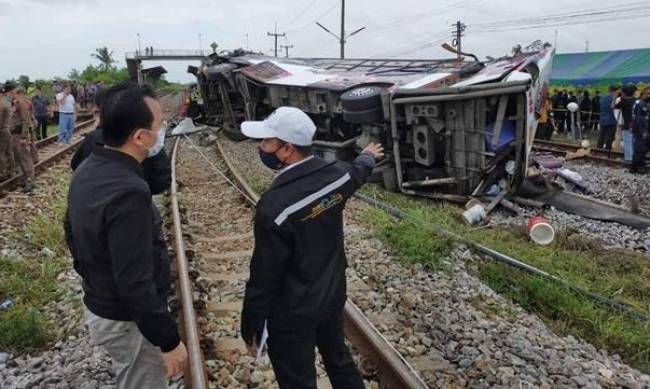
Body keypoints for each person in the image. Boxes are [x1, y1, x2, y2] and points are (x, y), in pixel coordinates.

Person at [239, 106, 384, 389]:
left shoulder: (275, 206)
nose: (262, 147)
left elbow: (264, 277)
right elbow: (358, 172)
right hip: (330, 295)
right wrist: (368, 155)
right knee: (339, 359)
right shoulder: (338, 176)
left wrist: (251, 325)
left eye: (267, 142)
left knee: (298, 379)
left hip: (292, 313)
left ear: (287, 150)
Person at [65, 83, 187, 389]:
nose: (162, 132)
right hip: (127, 321)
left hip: (102, 303)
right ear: (140, 137)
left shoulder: (90, 166)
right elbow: (134, 281)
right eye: (159, 126)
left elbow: (71, 232)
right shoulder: (129, 191)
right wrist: (169, 341)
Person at [70, 88, 172, 194]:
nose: (160, 129)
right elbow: (162, 181)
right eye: (158, 124)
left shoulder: (93, 141)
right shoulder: (133, 190)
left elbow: (75, 164)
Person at [5, 84, 36, 192]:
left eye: (11, 93)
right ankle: (24, 179)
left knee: (25, 158)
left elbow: (25, 120)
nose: (10, 95)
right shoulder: (16, 103)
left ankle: (31, 181)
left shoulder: (22, 103)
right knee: (18, 157)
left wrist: (23, 136)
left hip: (20, 135)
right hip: (14, 135)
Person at [615, 85, 637, 162]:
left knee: (627, 141)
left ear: (623, 93)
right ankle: (635, 157)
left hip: (627, 124)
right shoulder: (636, 100)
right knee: (634, 142)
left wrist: (615, 96)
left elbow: (613, 106)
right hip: (636, 124)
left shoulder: (623, 101)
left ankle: (629, 158)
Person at [630, 87, 649, 174]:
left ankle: (638, 164)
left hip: (641, 130)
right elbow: (640, 119)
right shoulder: (642, 104)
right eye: (648, 94)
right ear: (643, 94)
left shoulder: (640, 102)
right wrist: (644, 132)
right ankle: (635, 167)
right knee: (640, 149)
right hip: (641, 131)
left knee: (643, 148)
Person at [0, 83, 15, 181]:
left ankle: (2, 173)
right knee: (9, 151)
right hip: (8, 129)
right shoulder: (7, 102)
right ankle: (11, 171)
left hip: (2, 130)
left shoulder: (1, 103)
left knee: (1, 152)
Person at [598, 86, 618, 150]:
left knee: (602, 136)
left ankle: (599, 149)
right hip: (611, 120)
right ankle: (607, 149)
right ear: (615, 91)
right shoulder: (614, 98)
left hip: (602, 119)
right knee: (610, 136)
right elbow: (613, 107)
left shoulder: (603, 97)